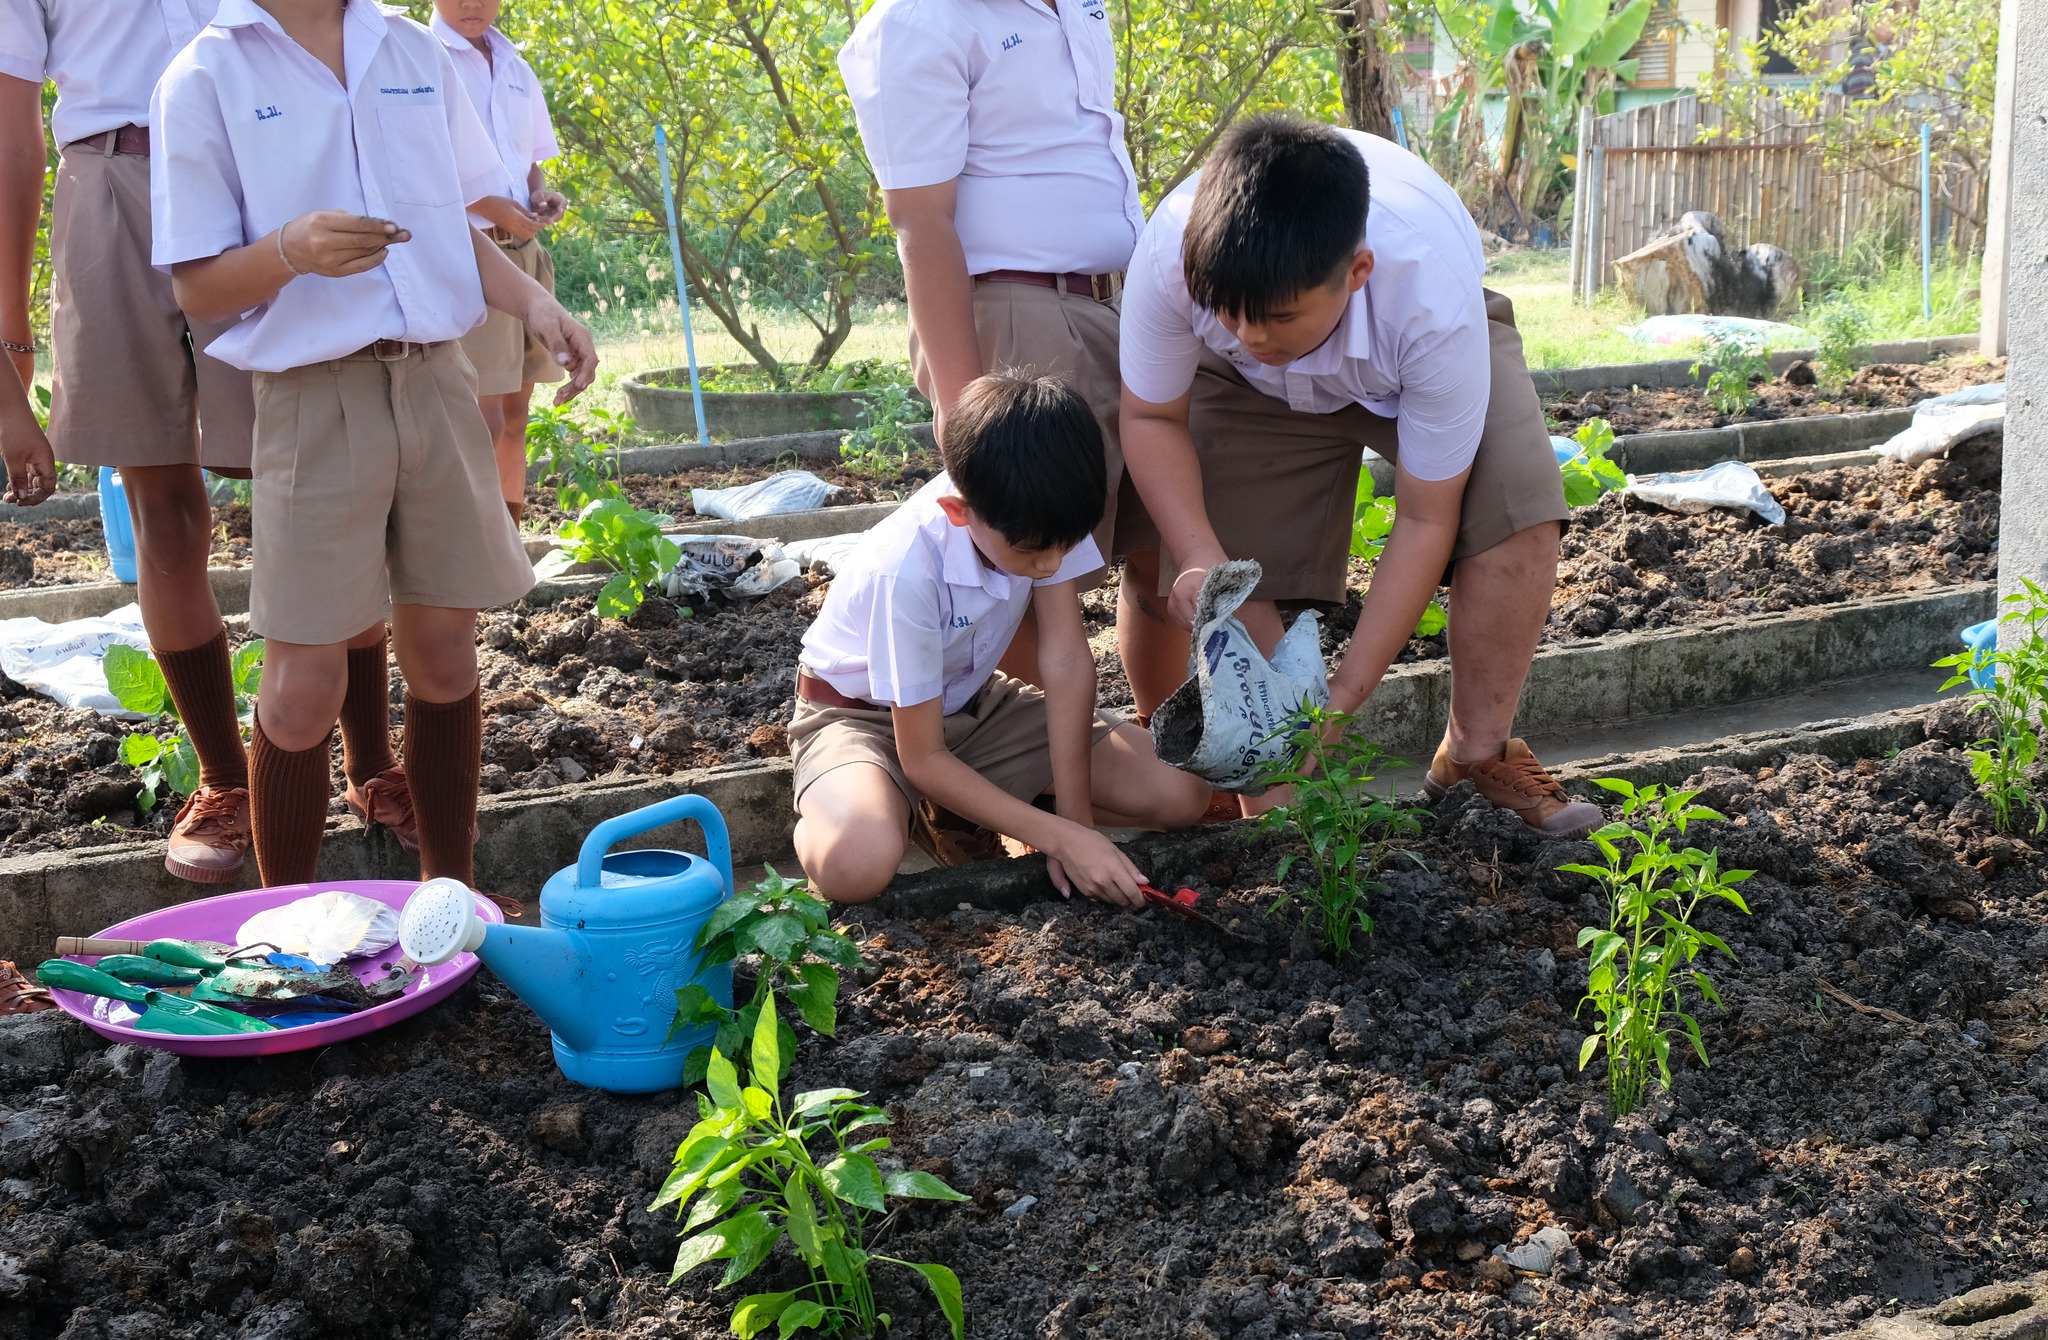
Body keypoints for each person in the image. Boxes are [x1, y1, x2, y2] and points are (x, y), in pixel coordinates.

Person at [150, 0, 596, 890]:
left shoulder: (407, 48)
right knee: (303, 683)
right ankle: (292, 935)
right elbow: (199, 286)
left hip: (435, 380)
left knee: (444, 651)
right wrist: (290, 249)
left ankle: (449, 898)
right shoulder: (205, 75)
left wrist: (537, 304)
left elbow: (445, 225)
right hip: (315, 398)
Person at [1117, 115, 1601, 838]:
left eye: (1276, 317)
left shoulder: (1432, 303)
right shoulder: (1174, 254)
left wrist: (1340, 702)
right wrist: (1198, 551)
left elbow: (1425, 516)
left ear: (1357, 272)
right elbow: (1152, 418)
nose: (1250, 336)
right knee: (1233, 579)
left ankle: (1474, 755)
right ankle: (1234, 780)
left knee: (1518, 510)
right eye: (1228, 312)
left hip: (1403, 368)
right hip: (1245, 395)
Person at [0, 0, 264, 883]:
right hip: (106, 180)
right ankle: (229, 781)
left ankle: (377, 765)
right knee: (166, 509)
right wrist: (10, 349)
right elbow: (13, 136)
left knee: (312, 475)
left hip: (253, 179)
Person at [790, 373, 1212, 905]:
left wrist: (1074, 824)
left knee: (1181, 794)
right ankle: (847, 804)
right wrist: (1059, 838)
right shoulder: (904, 570)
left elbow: (1064, 660)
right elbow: (921, 756)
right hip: (860, 718)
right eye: (1034, 554)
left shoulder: (1042, 515)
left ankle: (959, 806)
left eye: (1065, 546)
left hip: (970, 703)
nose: (1052, 566)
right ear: (958, 512)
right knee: (856, 863)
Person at [836, 0, 1144, 682]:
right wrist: (965, 408)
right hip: (1017, 314)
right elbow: (920, 219)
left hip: (1116, 302)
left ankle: (1157, 760)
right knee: (1031, 564)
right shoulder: (920, 19)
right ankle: (1046, 767)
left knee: (1148, 551)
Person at [431, 0, 565, 528]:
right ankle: (477, 541)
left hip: (525, 253)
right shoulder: (418, 58)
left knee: (515, 411)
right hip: (472, 255)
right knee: (480, 417)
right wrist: (488, 206)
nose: (472, 4)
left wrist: (540, 195)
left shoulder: (514, 65)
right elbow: (421, 162)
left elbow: (526, 157)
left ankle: (507, 534)